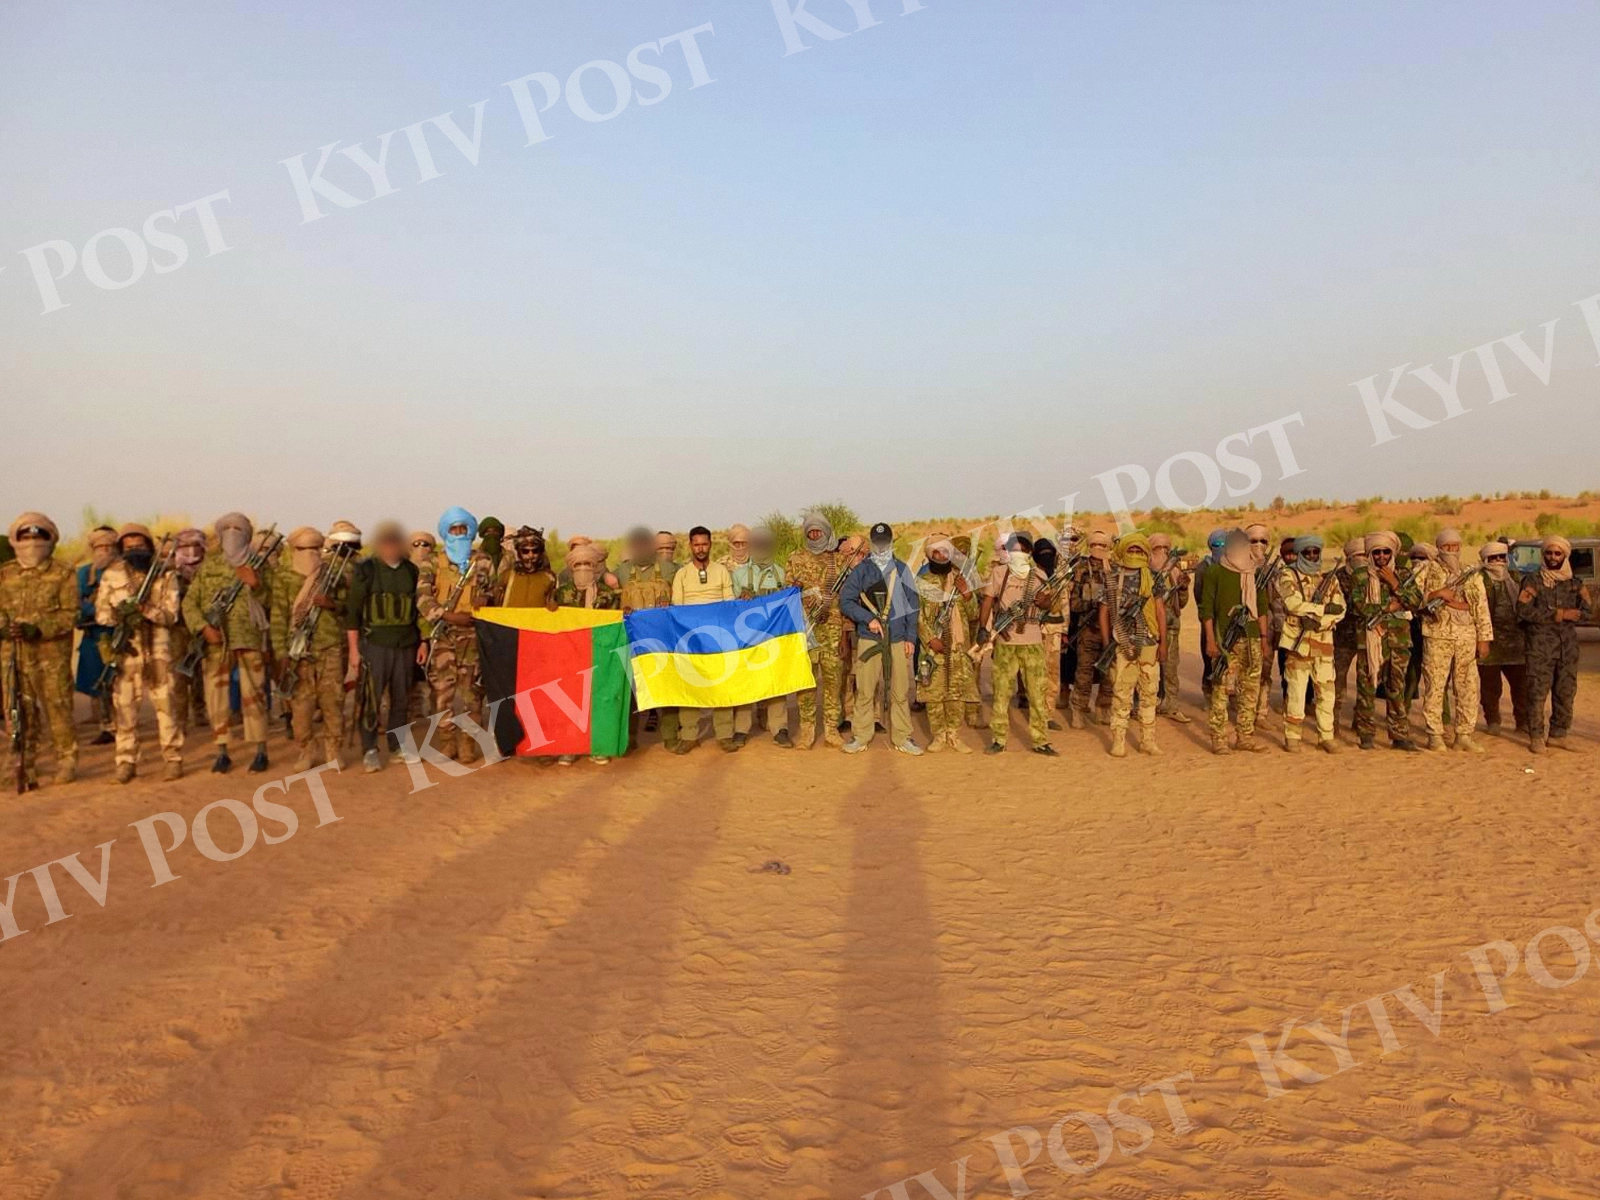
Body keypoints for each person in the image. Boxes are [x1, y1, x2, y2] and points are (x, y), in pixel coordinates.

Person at [182, 511, 272, 774]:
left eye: (239, 528)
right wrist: (203, 627)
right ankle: (222, 751)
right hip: (216, 642)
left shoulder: (259, 563)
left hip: (249, 638)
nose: (233, 533)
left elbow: (273, 602)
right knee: (216, 697)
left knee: (253, 696)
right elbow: (190, 603)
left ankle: (260, 750)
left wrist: (257, 585)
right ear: (220, 534)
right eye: (228, 528)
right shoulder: (209, 566)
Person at [95, 523, 184, 782]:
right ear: (121, 548)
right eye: (129, 546)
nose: (135, 550)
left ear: (149, 545)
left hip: (158, 650)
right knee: (124, 709)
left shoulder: (165, 575)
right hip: (127, 650)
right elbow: (101, 614)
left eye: (140, 545)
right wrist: (120, 614)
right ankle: (125, 762)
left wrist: (146, 611)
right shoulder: (112, 574)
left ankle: (173, 758)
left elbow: (171, 615)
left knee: (166, 705)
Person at [0, 513, 80, 787]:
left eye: (39, 537)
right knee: (18, 710)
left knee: (58, 708)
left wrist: (40, 627)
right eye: (27, 537)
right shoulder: (5, 573)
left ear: (50, 540)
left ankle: (66, 760)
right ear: (16, 541)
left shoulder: (63, 572)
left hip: (51, 655)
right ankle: (23, 765)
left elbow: (71, 614)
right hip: (13, 654)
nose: (32, 543)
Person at [269, 526, 356, 771]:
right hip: (297, 652)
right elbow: (277, 618)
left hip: (329, 647)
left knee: (333, 702)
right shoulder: (284, 577)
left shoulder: (332, 574)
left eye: (315, 549)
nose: (310, 554)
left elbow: (348, 607)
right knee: (301, 707)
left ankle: (333, 750)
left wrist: (331, 604)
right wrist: (281, 654)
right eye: (303, 549)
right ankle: (306, 749)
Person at [417, 507, 494, 763]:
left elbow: (494, 593)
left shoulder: (482, 562)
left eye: (463, 529)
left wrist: (486, 599)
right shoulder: (431, 563)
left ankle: (467, 745)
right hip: (444, 637)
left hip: (472, 638)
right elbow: (422, 598)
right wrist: (448, 616)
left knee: (472, 696)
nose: (459, 533)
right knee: (442, 695)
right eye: (454, 529)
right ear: (446, 532)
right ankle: (447, 743)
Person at [840, 523, 922, 755]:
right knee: (865, 690)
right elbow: (846, 601)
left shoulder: (902, 570)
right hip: (869, 637)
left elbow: (913, 607)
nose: (881, 546)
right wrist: (868, 619)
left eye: (885, 541)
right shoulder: (862, 571)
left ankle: (902, 737)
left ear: (891, 542)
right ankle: (861, 736)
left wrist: (910, 638)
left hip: (897, 639)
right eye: (877, 542)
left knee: (899, 690)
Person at [346, 521, 421, 773]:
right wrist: (354, 651)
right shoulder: (366, 570)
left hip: (405, 645)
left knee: (401, 700)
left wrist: (423, 643)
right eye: (386, 542)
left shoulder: (411, 571)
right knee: (371, 700)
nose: (390, 547)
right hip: (374, 646)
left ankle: (397, 746)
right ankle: (369, 749)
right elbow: (353, 615)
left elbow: (418, 613)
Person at [976, 532, 1058, 756]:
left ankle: (1041, 740)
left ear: (1030, 553)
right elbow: (988, 601)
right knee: (1001, 692)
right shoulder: (999, 573)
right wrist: (983, 628)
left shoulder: (1039, 574)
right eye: (1014, 549)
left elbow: (1050, 604)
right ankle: (998, 738)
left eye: (1023, 550)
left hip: (1032, 641)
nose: (1018, 554)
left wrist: (1045, 602)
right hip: (1006, 641)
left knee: (1037, 693)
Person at [785, 513, 858, 750]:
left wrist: (846, 635)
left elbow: (847, 599)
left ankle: (831, 730)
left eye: (819, 531)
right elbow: (786, 593)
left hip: (834, 630)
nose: (815, 535)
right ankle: (807, 732)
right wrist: (793, 589)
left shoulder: (838, 560)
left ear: (827, 532)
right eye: (811, 531)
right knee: (806, 682)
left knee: (833, 681)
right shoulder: (795, 558)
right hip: (806, 629)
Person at [1416, 528, 1492, 753]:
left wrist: (1484, 638)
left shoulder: (1471, 572)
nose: (1451, 551)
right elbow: (1411, 597)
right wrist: (1436, 594)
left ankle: (1464, 735)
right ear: (1439, 548)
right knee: (1435, 686)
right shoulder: (1426, 568)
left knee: (1468, 686)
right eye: (1447, 547)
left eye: (1455, 547)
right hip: (1437, 634)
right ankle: (1435, 735)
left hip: (1466, 636)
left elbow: (1481, 606)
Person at [1517, 535, 1591, 754]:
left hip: (1567, 648)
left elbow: (1588, 612)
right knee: (1537, 693)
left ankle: (1558, 734)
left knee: (1565, 692)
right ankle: (1536, 736)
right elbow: (1523, 611)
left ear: (1564, 556)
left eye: (1557, 553)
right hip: (1540, 647)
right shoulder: (1533, 581)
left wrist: (1575, 615)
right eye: (1548, 553)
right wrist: (1558, 614)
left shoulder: (1574, 584)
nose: (1552, 557)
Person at [1349, 530, 1423, 751]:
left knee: (1396, 688)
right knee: (1367, 687)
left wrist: (1395, 585)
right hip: (1370, 640)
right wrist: (1391, 606)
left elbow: (1416, 601)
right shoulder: (1361, 576)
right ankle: (1366, 734)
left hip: (1398, 641)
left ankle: (1399, 735)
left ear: (1393, 553)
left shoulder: (1402, 574)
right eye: (1377, 552)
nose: (1381, 556)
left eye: (1385, 552)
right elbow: (1360, 607)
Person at [1200, 529, 1269, 754]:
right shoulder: (1215, 572)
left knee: (1250, 691)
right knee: (1220, 690)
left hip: (1251, 640)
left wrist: (1264, 638)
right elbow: (1207, 610)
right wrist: (1210, 641)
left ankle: (1244, 736)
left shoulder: (1255, 573)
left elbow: (1261, 609)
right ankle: (1219, 738)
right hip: (1225, 642)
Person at [670, 525, 738, 752]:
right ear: (690, 546)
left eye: (704, 544)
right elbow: (676, 609)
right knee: (690, 687)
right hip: (690, 639)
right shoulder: (682, 574)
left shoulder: (721, 571)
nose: (700, 548)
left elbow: (729, 605)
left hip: (718, 637)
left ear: (710, 545)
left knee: (721, 685)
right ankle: (689, 735)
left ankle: (725, 734)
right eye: (696, 544)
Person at [1099, 533, 1166, 757]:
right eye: (1132, 550)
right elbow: (1104, 611)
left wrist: (1163, 642)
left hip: (1148, 643)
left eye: (1139, 551)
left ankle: (1148, 740)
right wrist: (1108, 643)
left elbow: (1159, 610)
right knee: (1121, 695)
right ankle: (1118, 740)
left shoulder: (1153, 577)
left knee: (1149, 694)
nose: (1135, 555)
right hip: (1123, 645)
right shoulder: (1113, 577)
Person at [1276, 534, 1345, 754]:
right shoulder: (1288, 574)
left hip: (1323, 642)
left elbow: (1340, 608)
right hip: (1298, 643)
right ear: (1300, 553)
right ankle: (1293, 735)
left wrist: (1319, 621)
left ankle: (1326, 736)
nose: (1313, 556)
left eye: (1316, 552)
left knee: (1326, 691)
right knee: (1296, 691)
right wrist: (1321, 609)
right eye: (1308, 552)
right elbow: (1292, 603)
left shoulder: (1328, 578)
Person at [617, 525, 682, 752]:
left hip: (662, 637)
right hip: (633, 640)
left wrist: (669, 603)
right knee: (631, 691)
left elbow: (682, 599)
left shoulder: (670, 569)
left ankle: (670, 736)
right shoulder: (622, 572)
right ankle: (629, 737)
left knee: (668, 688)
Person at [915, 532, 977, 753]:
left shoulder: (960, 579)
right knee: (934, 695)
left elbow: (973, 614)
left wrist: (967, 594)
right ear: (930, 555)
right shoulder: (922, 582)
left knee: (956, 694)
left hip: (958, 647)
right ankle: (938, 736)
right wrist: (930, 638)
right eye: (936, 552)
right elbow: (918, 615)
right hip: (934, 648)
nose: (941, 555)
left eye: (944, 551)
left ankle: (954, 735)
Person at [732, 525, 788, 744]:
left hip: (773, 636)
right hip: (747, 637)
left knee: (776, 681)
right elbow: (730, 607)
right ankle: (741, 729)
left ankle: (779, 728)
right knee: (746, 681)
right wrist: (741, 598)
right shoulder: (739, 574)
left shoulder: (781, 574)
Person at [1476, 540, 1529, 737]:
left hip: (1517, 642)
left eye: (1501, 557)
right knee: (1490, 687)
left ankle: (1522, 722)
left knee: (1521, 686)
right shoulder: (1479, 580)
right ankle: (1493, 720)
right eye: (1493, 558)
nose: (1498, 561)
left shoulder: (1515, 578)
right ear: (1486, 560)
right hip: (1490, 642)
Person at [75, 525, 118, 744]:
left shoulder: (123, 570)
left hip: (118, 633)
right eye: (99, 546)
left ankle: (118, 724)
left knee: (118, 680)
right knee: (96, 680)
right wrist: (96, 611)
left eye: (108, 546)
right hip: (93, 634)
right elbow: (76, 601)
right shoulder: (84, 573)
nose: (104, 550)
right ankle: (104, 724)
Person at [1067, 529, 1113, 728]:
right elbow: (1074, 603)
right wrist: (1092, 605)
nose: (1098, 549)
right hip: (1087, 629)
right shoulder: (1080, 569)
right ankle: (1078, 709)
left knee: (1109, 673)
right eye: (1094, 544)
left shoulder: (1114, 570)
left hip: (1111, 630)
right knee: (1084, 672)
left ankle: (1103, 708)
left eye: (1102, 545)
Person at [1149, 533, 1191, 724]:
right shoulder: (1144, 573)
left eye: (1165, 548)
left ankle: (1171, 706)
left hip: (1171, 626)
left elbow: (1180, 604)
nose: (1162, 552)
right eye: (1158, 548)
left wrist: (1182, 588)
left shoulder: (1174, 574)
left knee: (1171, 668)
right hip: (1149, 628)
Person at [170, 527, 207, 731]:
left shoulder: (208, 570)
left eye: (195, 546)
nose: (191, 551)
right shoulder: (170, 570)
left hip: (202, 626)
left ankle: (200, 711)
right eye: (185, 546)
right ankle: (181, 718)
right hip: (178, 628)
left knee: (200, 672)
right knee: (179, 674)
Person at [1029, 537, 1068, 729]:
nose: (1047, 558)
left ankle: (1047, 714)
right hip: (1037, 632)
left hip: (1056, 632)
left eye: (1049, 555)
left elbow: (1065, 607)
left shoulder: (1059, 578)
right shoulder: (1032, 577)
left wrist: (1065, 631)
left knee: (1053, 674)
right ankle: (1036, 713)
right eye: (1042, 555)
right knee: (1037, 675)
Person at [1332, 537, 1367, 728]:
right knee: (1337, 681)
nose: (1363, 559)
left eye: (1365, 554)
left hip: (1365, 637)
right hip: (1342, 638)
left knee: (1366, 681)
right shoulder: (1337, 577)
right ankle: (1333, 722)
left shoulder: (1373, 577)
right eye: (1359, 555)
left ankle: (1360, 721)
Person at [1194, 528, 1228, 700]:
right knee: (1209, 659)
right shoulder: (1203, 567)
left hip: (1228, 621)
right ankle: (1209, 694)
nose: (1221, 547)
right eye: (1217, 544)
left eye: (1224, 544)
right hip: (1209, 621)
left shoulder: (1233, 564)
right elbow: (1199, 595)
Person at [497, 526, 557, 608]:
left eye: (535, 551)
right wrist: (484, 599)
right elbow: (494, 600)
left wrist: (554, 605)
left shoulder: (550, 578)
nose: (530, 555)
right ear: (519, 553)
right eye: (525, 551)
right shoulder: (507, 576)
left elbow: (556, 601)